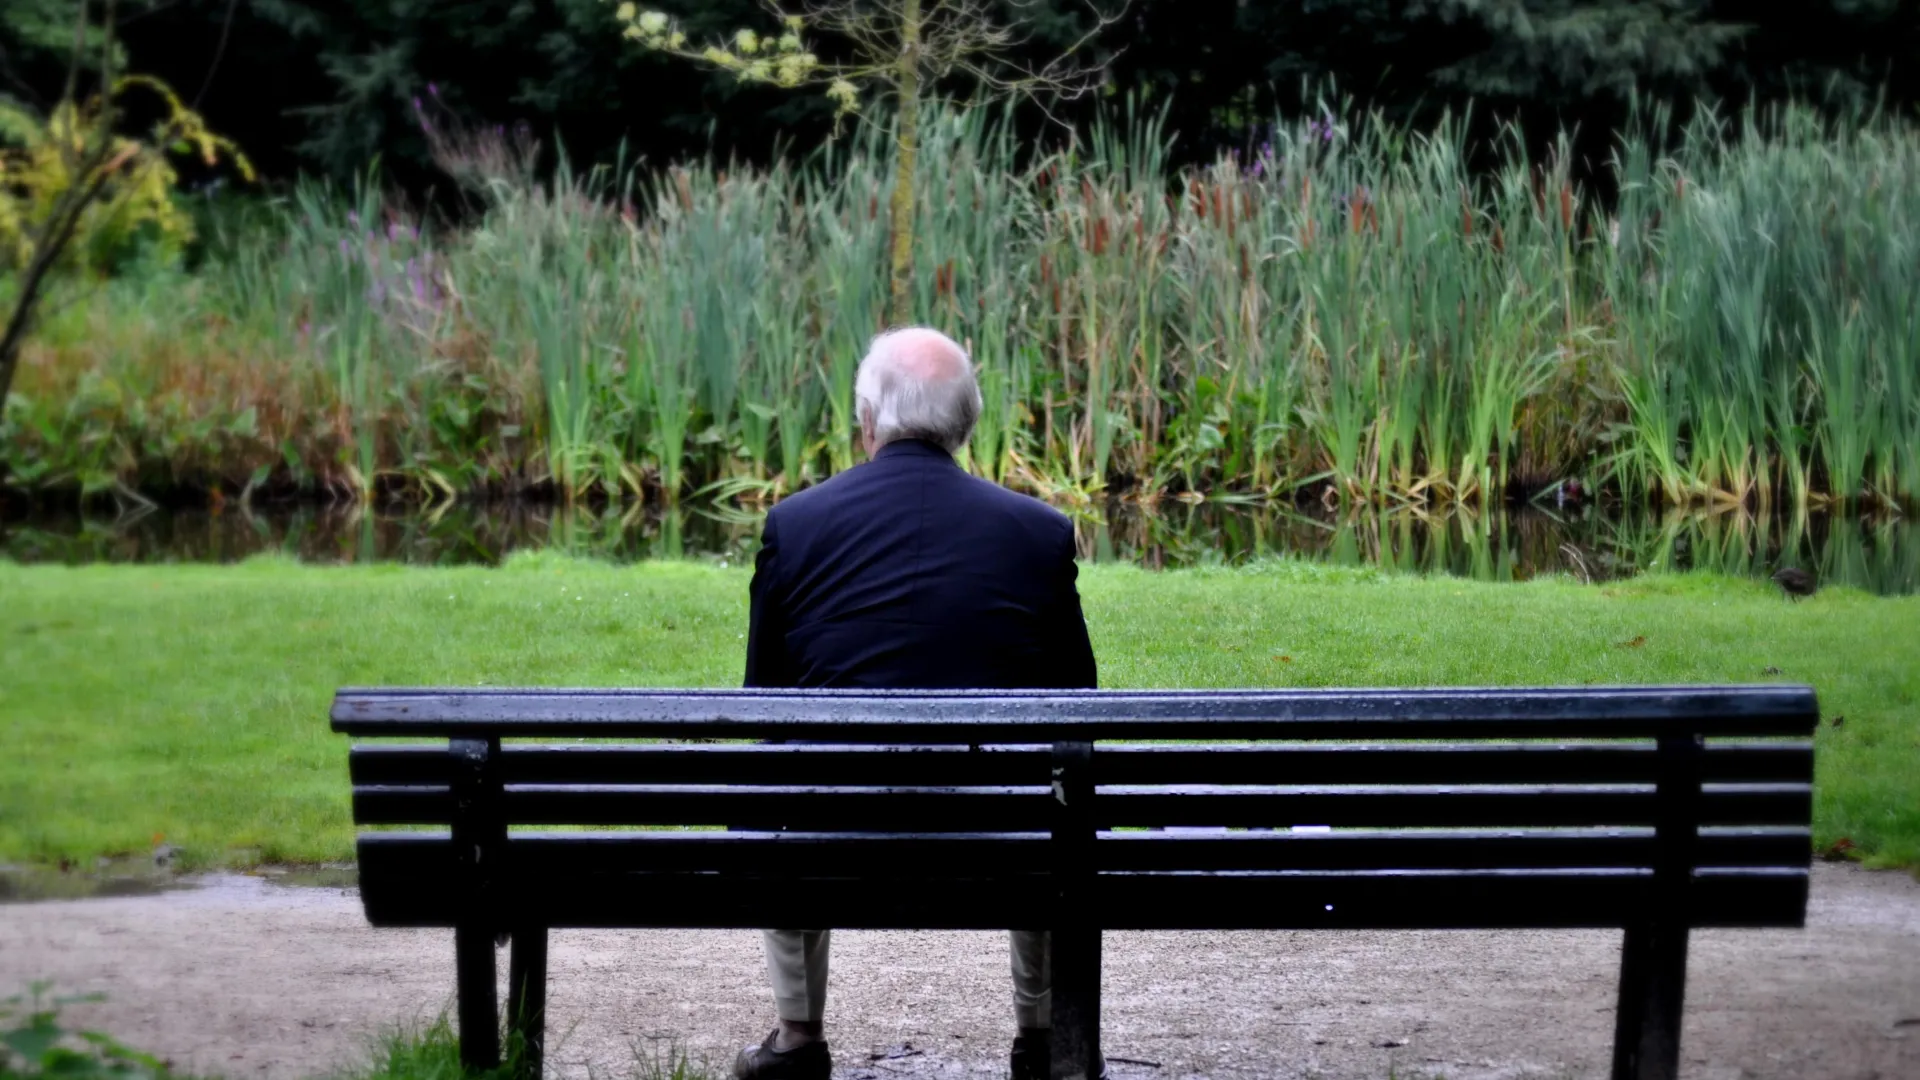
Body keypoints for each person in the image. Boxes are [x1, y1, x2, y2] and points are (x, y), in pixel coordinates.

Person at [734, 326, 1099, 1080]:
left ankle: (798, 1035)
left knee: (783, 781)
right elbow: (1077, 706)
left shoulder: (795, 528)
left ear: (868, 418)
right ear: (966, 424)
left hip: (827, 831)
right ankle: (1040, 1036)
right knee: (1051, 794)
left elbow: (762, 704)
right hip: (1001, 835)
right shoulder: (1037, 535)